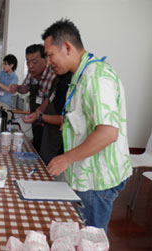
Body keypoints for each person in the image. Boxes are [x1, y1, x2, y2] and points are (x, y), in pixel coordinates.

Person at [43, 19, 132, 232]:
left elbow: (108, 133)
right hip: (86, 174)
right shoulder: (80, 76)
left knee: (91, 239)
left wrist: (66, 158)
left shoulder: (96, 76)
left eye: (49, 54)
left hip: (96, 180)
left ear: (67, 47)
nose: (48, 62)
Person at [10, 44, 56, 152]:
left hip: (49, 124)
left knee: (46, 151)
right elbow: (24, 89)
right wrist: (17, 87)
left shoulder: (53, 75)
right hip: (36, 120)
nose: (30, 66)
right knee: (36, 146)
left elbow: (49, 101)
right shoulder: (31, 74)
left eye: (34, 62)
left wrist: (38, 113)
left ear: (45, 60)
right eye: (27, 61)